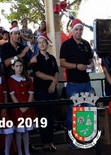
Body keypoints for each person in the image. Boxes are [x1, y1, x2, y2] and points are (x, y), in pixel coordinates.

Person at [59, 19, 94, 149]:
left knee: (86, 110)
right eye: (76, 29)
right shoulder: (66, 44)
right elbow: (62, 62)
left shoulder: (86, 44)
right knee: (73, 110)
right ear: (72, 30)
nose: (79, 32)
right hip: (73, 82)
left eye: (80, 30)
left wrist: (91, 65)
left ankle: (84, 138)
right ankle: (73, 140)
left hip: (86, 81)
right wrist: (76, 66)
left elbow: (91, 60)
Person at [33, 33, 58, 152]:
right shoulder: (36, 58)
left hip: (52, 90)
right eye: (40, 42)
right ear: (37, 45)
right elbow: (37, 73)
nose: (42, 44)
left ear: (47, 44)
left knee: (51, 116)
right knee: (43, 116)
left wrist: (54, 83)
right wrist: (51, 78)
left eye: (44, 42)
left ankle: (50, 141)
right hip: (41, 90)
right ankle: (44, 142)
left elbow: (56, 72)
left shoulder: (52, 58)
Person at [8, 57, 36, 155]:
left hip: (27, 107)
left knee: (26, 131)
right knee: (19, 131)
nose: (19, 68)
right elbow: (12, 94)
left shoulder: (28, 79)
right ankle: (19, 151)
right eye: (17, 66)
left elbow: (31, 93)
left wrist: (27, 106)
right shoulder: (11, 80)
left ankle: (27, 151)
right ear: (13, 67)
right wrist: (20, 107)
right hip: (18, 108)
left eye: (20, 66)